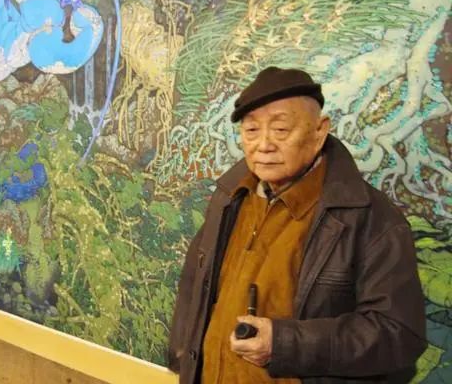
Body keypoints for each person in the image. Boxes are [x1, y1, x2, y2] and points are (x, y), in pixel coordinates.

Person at [167, 67, 427, 384]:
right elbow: (195, 282)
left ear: (319, 131)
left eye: (280, 130)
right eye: (251, 131)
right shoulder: (230, 197)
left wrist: (284, 343)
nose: (264, 145)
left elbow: (398, 334)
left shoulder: (371, 218)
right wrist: (183, 357)